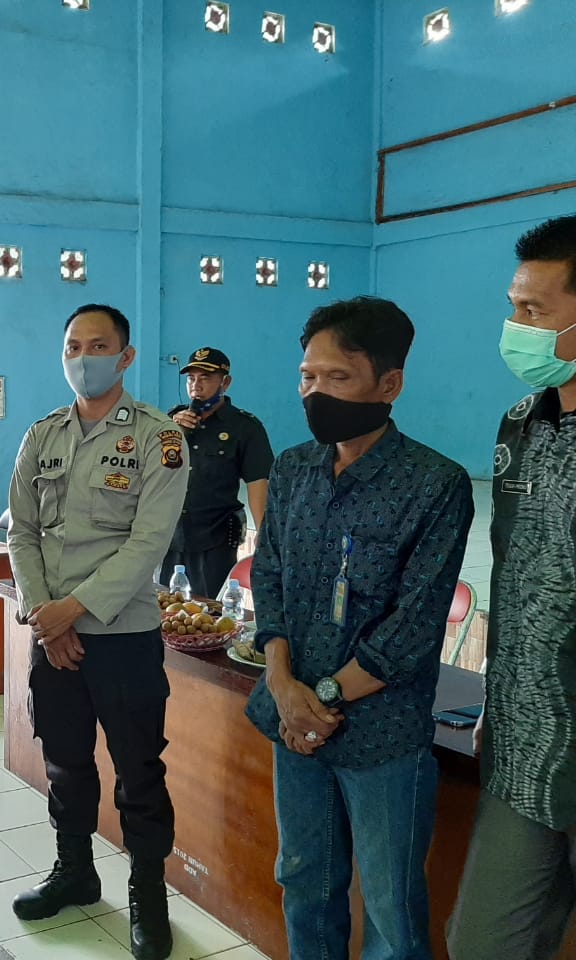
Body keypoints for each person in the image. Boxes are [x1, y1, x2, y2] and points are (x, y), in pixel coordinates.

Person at [244, 297, 473, 960]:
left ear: (389, 384)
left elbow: (414, 625)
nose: (315, 393)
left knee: (390, 909)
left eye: (336, 377)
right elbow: (270, 576)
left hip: (382, 738)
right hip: (294, 725)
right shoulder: (293, 469)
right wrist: (282, 684)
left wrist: (320, 700)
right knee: (304, 881)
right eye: (307, 377)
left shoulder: (434, 484)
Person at [6, 303, 189, 960]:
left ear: (126, 356)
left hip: (123, 636)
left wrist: (72, 610)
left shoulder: (159, 437)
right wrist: (44, 615)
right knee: (66, 763)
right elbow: (21, 532)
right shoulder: (42, 434)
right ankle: (75, 871)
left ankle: (148, 895)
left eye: (99, 346)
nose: (84, 358)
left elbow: (148, 542)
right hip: (53, 634)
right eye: (74, 347)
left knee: (139, 770)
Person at [447, 215, 576, 960]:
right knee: (482, 943)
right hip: (525, 744)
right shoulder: (521, 422)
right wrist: (497, 700)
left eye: (533, 310)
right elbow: (512, 571)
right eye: (513, 307)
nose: (515, 327)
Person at [164, 347, 273, 598]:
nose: (196, 386)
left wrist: (264, 536)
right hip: (170, 536)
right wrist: (171, 432)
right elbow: (150, 470)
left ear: (225, 382)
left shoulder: (244, 427)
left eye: (206, 378)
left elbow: (258, 483)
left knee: (210, 610)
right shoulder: (171, 421)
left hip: (214, 539)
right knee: (166, 607)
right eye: (191, 378)